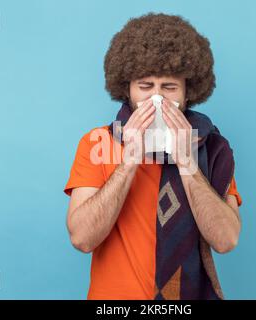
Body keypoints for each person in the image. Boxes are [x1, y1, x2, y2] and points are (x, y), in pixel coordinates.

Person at [63, 13, 242, 300]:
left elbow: (226, 240)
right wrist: (131, 157)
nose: (156, 99)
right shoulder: (97, 143)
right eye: (145, 87)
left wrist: (186, 159)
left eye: (169, 88)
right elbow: (82, 239)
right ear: (127, 89)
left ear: (188, 93)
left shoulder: (211, 148)